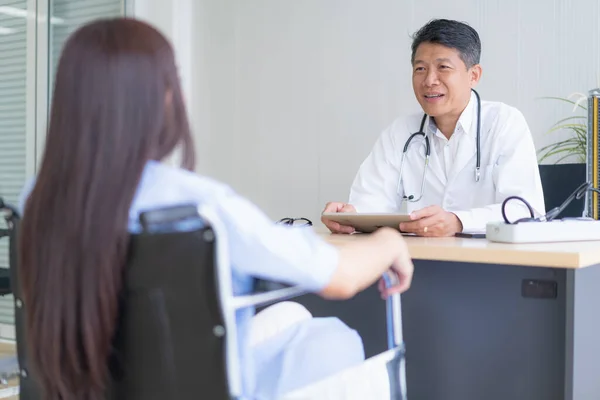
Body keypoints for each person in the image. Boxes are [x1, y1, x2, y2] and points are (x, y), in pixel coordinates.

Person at [16, 18, 414, 400]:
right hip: (194, 389)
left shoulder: (38, 198)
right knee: (335, 339)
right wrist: (387, 241)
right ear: (157, 98)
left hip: (99, 384)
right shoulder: (196, 205)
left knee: (292, 315)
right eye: (174, 81)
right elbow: (339, 278)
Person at [322, 19, 545, 237]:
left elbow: (525, 210)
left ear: (473, 75)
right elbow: (370, 202)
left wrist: (458, 222)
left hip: (492, 263)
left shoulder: (504, 123)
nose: (429, 80)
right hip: (420, 262)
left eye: (443, 68)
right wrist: (349, 216)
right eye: (420, 68)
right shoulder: (400, 133)